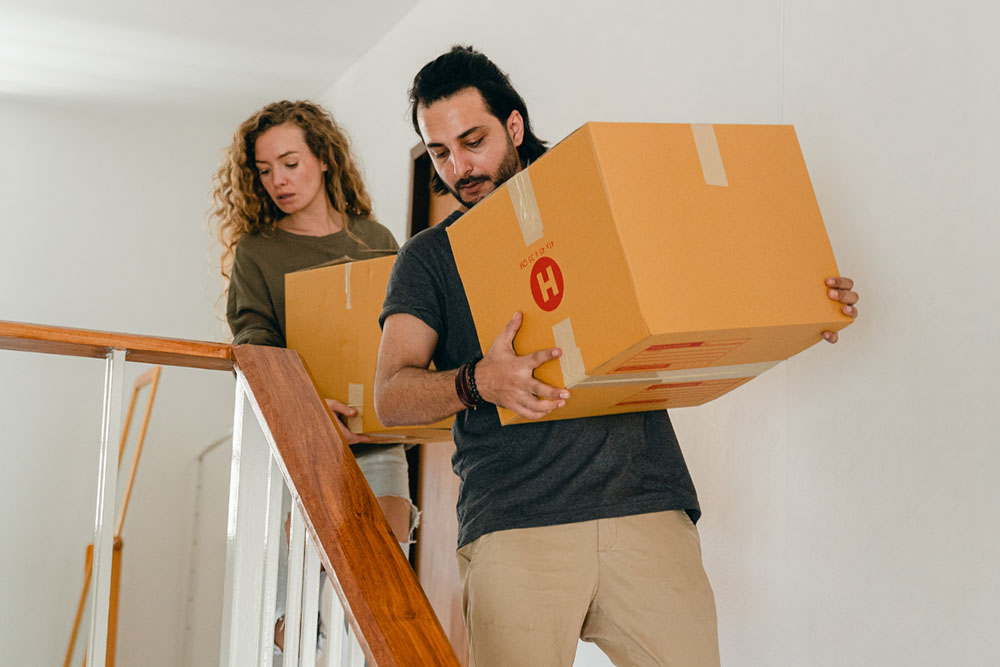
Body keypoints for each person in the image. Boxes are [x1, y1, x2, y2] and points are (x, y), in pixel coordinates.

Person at [374, 46, 860, 667]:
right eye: (440, 153)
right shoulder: (429, 257)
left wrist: (802, 293)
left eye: (474, 141)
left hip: (647, 504)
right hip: (517, 523)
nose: (459, 168)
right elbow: (391, 393)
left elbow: (706, 270)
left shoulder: (595, 196)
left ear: (514, 126)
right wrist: (477, 381)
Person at [210, 100, 415, 660]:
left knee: (377, 589)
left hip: (379, 441)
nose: (278, 180)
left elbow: (407, 335)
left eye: (290, 163)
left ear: (323, 159)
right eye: (264, 168)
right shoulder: (260, 252)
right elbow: (253, 345)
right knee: (301, 614)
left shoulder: (376, 239)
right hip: (301, 444)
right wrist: (308, 411)